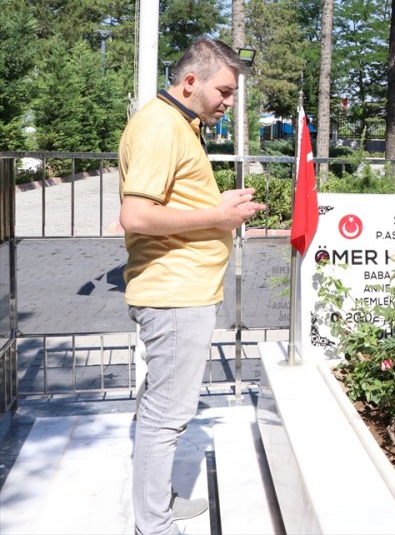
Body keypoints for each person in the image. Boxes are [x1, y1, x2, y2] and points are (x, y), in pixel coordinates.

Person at [119, 37, 266, 535]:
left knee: (161, 407)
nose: (229, 101)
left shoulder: (178, 123)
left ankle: (156, 502)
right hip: (174, 294)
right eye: (224, 91)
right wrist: (218, 216)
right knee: (167, 415)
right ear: (189, 82)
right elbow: (137, 216)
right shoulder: (162, 127)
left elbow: (169, 201)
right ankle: (153, 525)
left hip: (181, 290)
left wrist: (216, 205)